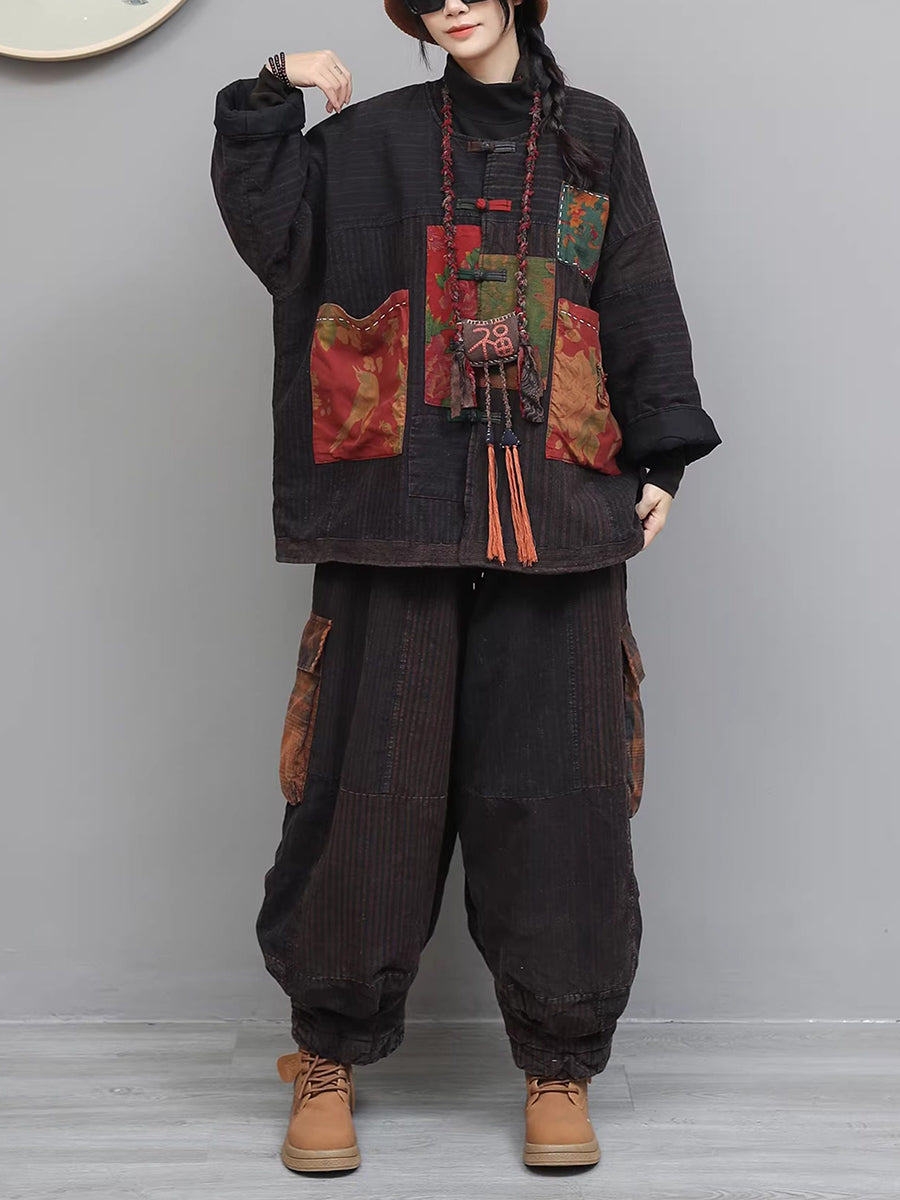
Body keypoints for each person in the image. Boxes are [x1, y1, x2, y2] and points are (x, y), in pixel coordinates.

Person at [210, 0, 722, 1175]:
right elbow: (274, 238)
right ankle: (328, 1054)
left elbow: (635, 285)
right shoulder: (368, 142)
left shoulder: (595, 137)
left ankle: (559, 1066)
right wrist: (268, 88)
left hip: (560, 507)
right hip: (394, 514)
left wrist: (663, 457)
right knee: (362, 797)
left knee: (563, 796)